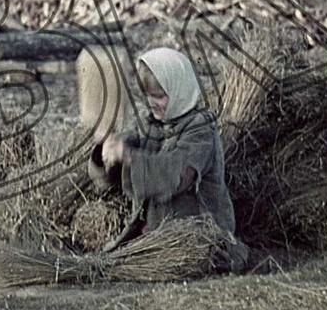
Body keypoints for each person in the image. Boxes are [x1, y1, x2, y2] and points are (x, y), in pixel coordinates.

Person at [88, 47, 246, 271]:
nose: (152, 103)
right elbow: (112, 180)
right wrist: (106, 152)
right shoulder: (153, 127)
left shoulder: (200, 132)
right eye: (148, 96)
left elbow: (176, 175)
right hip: (159, 233)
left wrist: (130, 156)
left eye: (159, 96)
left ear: (179, 90)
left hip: (199, 238)